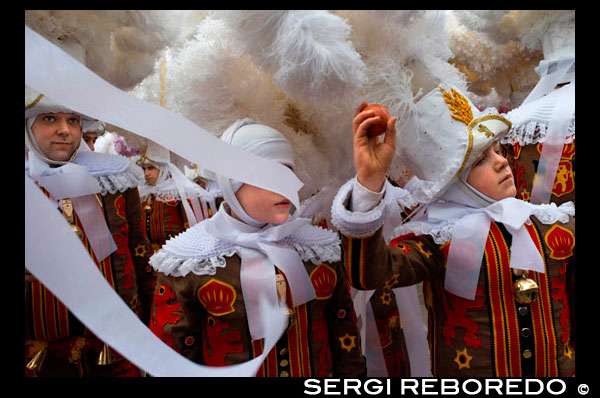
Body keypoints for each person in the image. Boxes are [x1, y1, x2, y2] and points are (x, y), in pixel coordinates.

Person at [331, 84, 575, 377]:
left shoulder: (553, 225)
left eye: (498, 150)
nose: (501, 162)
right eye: (480, 160)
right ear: (453, 183)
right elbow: (370, 274)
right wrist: (369, 185)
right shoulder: (438, 240)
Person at [148, 119, 366, 376]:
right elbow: (171, 357)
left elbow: (345, 339)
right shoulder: (190, 262)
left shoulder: (318, 250)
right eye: (271, 176)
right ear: (233, 183)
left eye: (289, 173)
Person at [25, 88, 154, 377]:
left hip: (119, 345)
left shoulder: (115, 180)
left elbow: (139, 253)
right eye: (49, 118)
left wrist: (151, 328)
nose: (65, 130)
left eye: (73, 120)